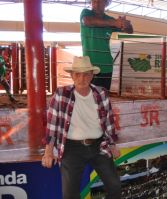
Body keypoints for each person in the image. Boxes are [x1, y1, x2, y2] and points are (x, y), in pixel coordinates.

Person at [41, 56, 121, 199]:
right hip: (71, 148)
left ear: (92, 76)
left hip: (99, 145)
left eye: (86, 74)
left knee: (115, 185)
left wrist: (113, 145)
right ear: (72, 75)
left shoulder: (101, 93)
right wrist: (48, 152)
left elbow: (108, 121)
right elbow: (52, 124)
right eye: (77, 74)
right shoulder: (61, 94)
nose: (82, 78)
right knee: (70, 195)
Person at [80, 0, 133, 90]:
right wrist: (114, 23)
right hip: (91, 68)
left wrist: (125, 24)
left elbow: (129, 31)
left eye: (100, 1)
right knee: (90, 98)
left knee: (104, 98)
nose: (96, 4)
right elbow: (87, 21)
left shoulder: (111, 20)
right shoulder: (86, 13)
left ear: (106, 3)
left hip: (108, 68)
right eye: (94, 1)